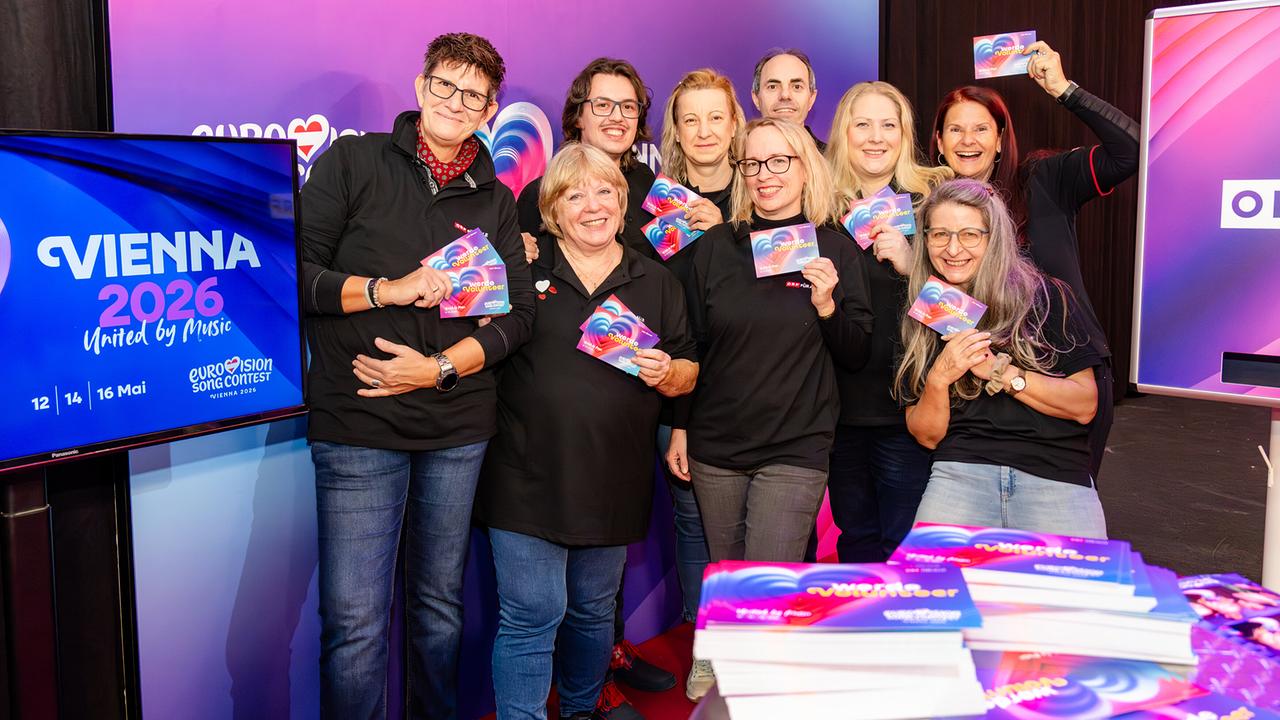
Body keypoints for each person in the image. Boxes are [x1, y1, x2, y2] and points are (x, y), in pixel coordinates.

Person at [300, 33, 533, 719]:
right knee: (356, 626)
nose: (456, 103)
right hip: (359, 423)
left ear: (491, 108)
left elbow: (518, 317)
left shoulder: (495, 195)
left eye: (474, 95)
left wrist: (434, 370)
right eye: (445, 85)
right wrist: (387, 290)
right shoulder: (353, 162)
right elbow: (297, 275)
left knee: (438, 614)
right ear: (421, 84)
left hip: (457, 428)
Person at [475, 143, 698, 720]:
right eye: (574, 195)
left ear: (624, 204)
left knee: (594, 611)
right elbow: (478, 340)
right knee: (531, 613)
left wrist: (670, 372)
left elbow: (689, 368)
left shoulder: (655, 279)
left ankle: (580, 709)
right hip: (525, 475)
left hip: (613, 478)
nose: (592, 206)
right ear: (551, 211)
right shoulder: (520, 269)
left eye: (604, 192)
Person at [516, 58, 675, 711]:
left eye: (627, 107)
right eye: (601, 105)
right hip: (548, 418)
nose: (615, 117)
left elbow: (679, 290)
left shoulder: (659, 191)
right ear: (576, 113)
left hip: (638, 390)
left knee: (602, 556)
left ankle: (605, 657)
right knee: (547, 593)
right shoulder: (539, 193)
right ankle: (591, 677)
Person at [929, 40, 1140, 483]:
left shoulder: (1045, 179)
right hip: (978, 387)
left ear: (1001, 140)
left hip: (1065, 376)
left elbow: (1129, 151)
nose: (968, 141)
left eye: (981, 129)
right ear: (939, 142)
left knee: (1058, 517)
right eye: (955, 130)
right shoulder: (928, 213)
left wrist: (1064, 89)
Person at [667, 118, 874, 564]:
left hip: (794, 447)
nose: (765, 174)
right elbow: (693, 346)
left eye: (779, 160)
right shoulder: (716, 247)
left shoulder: (835, 250)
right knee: (727, 586)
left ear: (805, 168)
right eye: (753, 163)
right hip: (716, 446)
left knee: (766, 594)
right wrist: (681, 426)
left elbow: (857, 354)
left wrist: (826, 306)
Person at [896, 179, 1106, 537]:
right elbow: (926, 436)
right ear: (925, 240)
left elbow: (1084, 404)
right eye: (940, 235)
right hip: (961, 471)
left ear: (993, 239)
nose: (953, 248)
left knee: (1076, 591)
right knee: (931, 590)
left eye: (969, 235)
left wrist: (1002, 373)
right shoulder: (923, 313)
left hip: (1053, 472)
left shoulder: (1046, 297)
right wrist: (939, 378)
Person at [823, 81, 951, 563]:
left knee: (907, 546)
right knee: (855, 540)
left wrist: (912, 263)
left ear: (904, 134)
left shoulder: (933, 202)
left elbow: (965, 306)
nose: (875, 137)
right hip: (839, 411)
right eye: (863, 125)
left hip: (908, 408)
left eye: (888, 125)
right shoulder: (820, 208)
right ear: (843, 133)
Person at [654, 67, 745, 702]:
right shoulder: (656, 204)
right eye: (692, 119)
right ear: (677, 133)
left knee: (769, 523)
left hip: (759, 384)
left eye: (717, 117)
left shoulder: (765, 186)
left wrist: (724, 231)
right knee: (695, 521)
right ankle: (706, 645)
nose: (705, 130)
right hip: (683, 386)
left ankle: (759, 637)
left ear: (734, 124)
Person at [751, 49, 825, 150]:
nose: (785, 95)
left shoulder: (833, 162)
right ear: (756, 99)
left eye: (797, 87)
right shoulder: (740, 159)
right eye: (772, 87)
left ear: (811, 99)